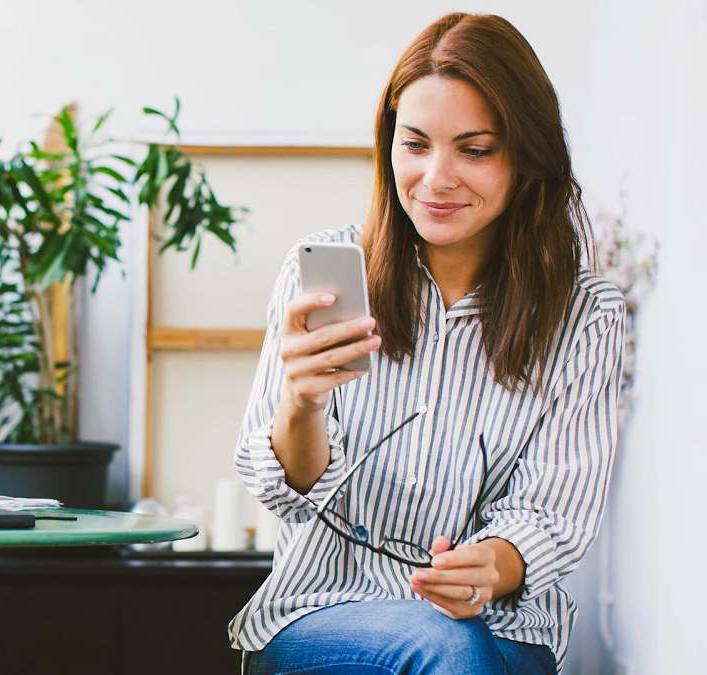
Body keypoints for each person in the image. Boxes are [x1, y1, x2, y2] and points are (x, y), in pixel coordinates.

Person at [231, 12, 625, 675]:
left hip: (502, 626)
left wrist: (493, 565)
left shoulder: (585, 314)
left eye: (474, 149)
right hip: (325, 609)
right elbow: (286, 493)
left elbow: (554, 510)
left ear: (527, 159)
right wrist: (299, 404)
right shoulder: (321, 276)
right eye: (415, 144)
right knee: (442, 646)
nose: (437, 178)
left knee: (458, 645)